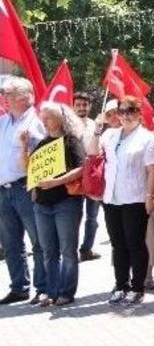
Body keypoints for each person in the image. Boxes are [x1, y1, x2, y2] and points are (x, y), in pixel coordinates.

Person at [87, 96, 154, 304]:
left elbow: (152, 170)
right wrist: (97, 130)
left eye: (130, 111)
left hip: (135, 197)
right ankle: (121, 284)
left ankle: (137, 286)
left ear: (139, 113)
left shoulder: (147, 138)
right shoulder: (110, 134)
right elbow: (92, 153)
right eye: (122, 112)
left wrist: (150, 196)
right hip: (111, 198)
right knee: (118, 244)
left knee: (135, 243)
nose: (126, 116)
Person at [21, 102, 85, 307]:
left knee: (67, 250)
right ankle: (52, 291)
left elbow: (81, 169)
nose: (44, 121)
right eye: (43, 117)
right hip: (42, 205)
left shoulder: (71, 141)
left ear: (61, 119)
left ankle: (66, 292)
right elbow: (29, 169)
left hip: (65, 203)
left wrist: (55, 182)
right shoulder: (42, 143)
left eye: (48, 117)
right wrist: (24, 147)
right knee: (49, 251)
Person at [0, 77, 47, 305]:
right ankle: (19, 287)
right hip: (3, 190)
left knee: (38, 240)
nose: (4, 98)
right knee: (11, 243)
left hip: (26, 187)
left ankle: (43, 287)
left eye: (8, 94)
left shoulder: (36, 123)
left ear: (23, 97)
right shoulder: (3, 122)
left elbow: (43, 159)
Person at [73, 92, 101, 262]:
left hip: (92, 177)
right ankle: (71, 251)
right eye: (79, 105)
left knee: (92, 218)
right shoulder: (68, 125)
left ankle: (87, 249)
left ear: (89, 106)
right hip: (74, 178)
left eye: (85, 105)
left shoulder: (95, 125)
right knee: (74, 217)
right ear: (73, 106)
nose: (82, 108)